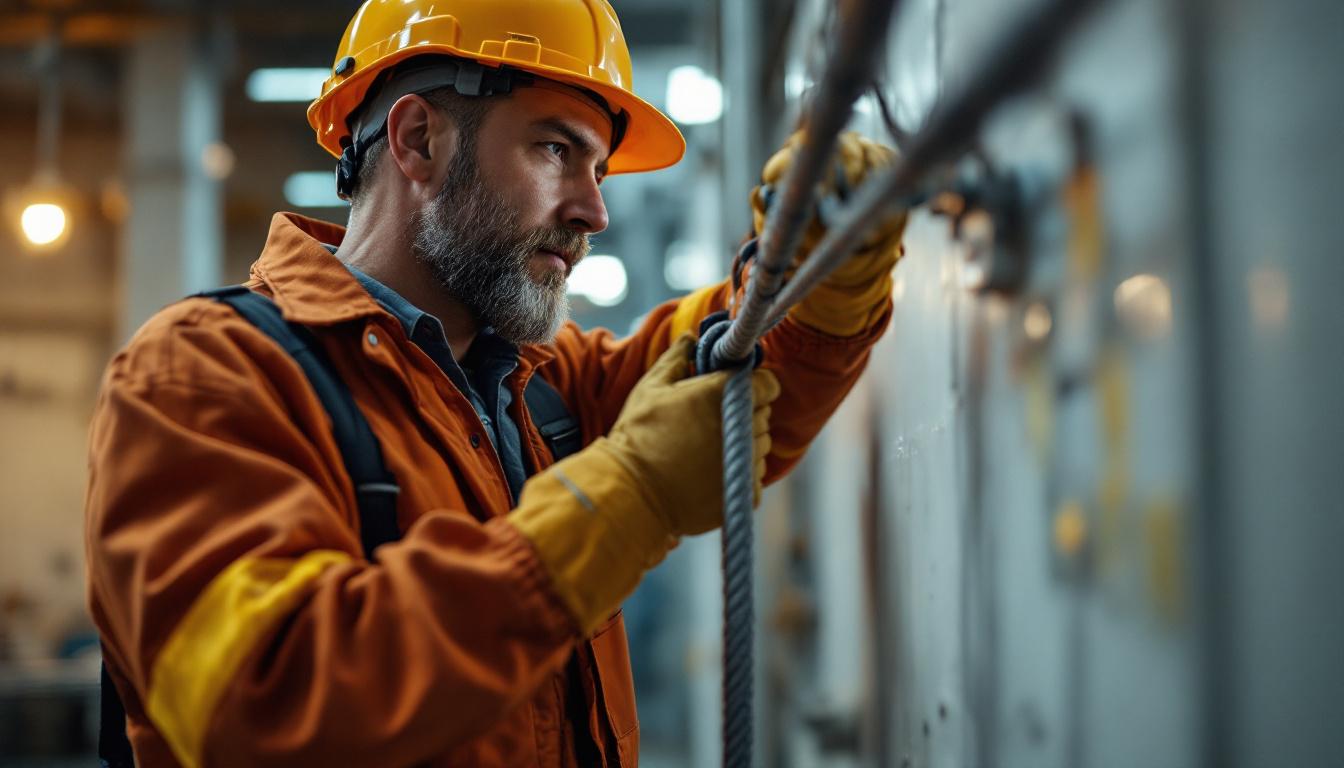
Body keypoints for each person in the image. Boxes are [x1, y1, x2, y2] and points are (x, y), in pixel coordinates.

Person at [84, 0, 907, 765]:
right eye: (556, 149)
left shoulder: (539, 387)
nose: (594, 211)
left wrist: (826, 274)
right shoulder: (206, 376)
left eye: (599, 169)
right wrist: (624, 500)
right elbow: (266, 706)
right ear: (418, 141)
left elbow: (732, 364)